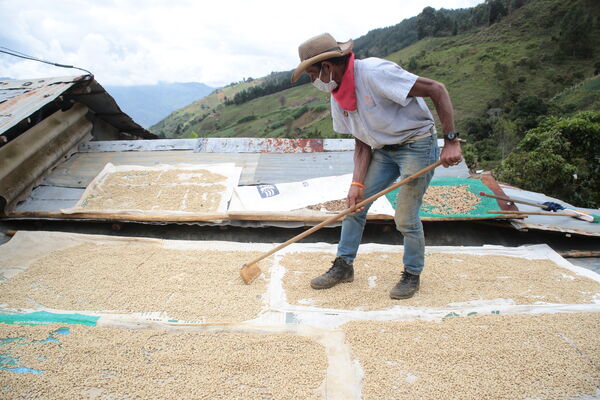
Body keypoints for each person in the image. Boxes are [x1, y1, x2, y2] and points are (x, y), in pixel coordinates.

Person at [291, 33, 462, 299]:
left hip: (416, 144)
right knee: (354, 205)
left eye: (311, 74)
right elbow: (362, 140)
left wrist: (451, 141)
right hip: (383, 150)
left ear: (326, 67)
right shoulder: (339, 93)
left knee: (405, 216)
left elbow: (436, 89)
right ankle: (343, 266)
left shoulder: (374, 73)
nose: (312, 81)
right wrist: (357, 184)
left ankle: (412, 273)